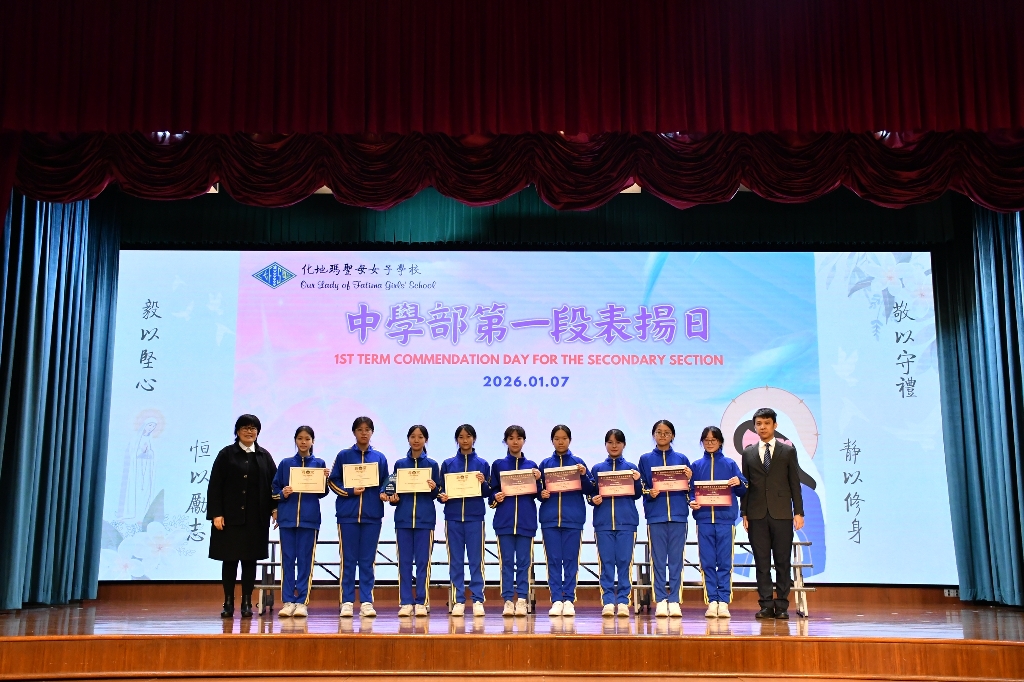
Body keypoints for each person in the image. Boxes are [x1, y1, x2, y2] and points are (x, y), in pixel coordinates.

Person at [207, 414, 278, 618]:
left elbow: (274, 485)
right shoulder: (226, 454)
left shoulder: (264, 456)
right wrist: (216, 513)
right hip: (229, 519)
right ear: (237, 431)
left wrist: (275, 508)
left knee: (250, 561)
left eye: (253, 428)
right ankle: (228, 602)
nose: (249, 431)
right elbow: (215, 486)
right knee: (229, 561)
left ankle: (247, 602)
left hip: (256, 519)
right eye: (245, 428)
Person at [741, 407, 804, 620]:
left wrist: (799, 512)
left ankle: (782, 604)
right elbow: (746, 485)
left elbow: (794, 483)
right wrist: (744, 512)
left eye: (767, 423)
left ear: (775, 425)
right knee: (761, 562)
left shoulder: (788, 451)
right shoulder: (748, 452)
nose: (763, 427)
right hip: (756, 514)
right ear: (754, 427)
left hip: (782, 513)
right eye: (759, 424)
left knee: (782, 561)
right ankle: (766, 604)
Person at [328, 416, 389, 618]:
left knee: (367, 560)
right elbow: (332, 482)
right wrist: (350, 491)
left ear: (372, 432)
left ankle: (366, 602)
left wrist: (384, 493)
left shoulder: (379, 457)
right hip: (348, 515)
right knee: (348, 560)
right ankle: (346, 601)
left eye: (367, 430)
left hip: (372, 515)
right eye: (360, 429)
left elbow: (386, 483)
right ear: (354, 432)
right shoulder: (344, 455)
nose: (364, 433)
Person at [688, 425, 747, 619]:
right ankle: (712, 601)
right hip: (704, 520)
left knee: (724, 562)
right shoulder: (696, 466)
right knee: (707, 562)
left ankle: (724, 601)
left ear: (720, 442)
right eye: (706, 440)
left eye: (713, 440)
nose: (710, 443)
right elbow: (690, 491)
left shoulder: (730, 464)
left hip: (725, 520)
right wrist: (692, 501)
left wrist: (739, 482)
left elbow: (743, 489)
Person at [271, 425, 328, 618]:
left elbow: (322, 493)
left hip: (309, 519)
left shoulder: (319, 464)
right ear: (295, 440)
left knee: (305, 561)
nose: (303, 442)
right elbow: (274, 490)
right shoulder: (286, 463)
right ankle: (288, 601)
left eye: (307, 439)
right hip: (287, 519)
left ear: (313, 441)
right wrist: (282, 493)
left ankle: (302, 601)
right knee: (287, 560)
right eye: (300, 438)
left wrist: (325, 480)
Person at [638, 419, 692, 618]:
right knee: (658, 560)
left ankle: (675, 599)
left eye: (667, 432)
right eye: (659, 432)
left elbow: (690, 488)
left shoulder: (682, 458)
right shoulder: (645, 459)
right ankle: (660, 599)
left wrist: (690, 477)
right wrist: (649, 492)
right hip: (656, 515)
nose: (662, 435)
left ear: (673, 435)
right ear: (653, 435)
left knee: (677, 560)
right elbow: (641, 486)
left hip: (678, 515)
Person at [538, 424, 594, 616]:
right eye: (557, 439)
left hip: (573, 519)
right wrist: (541, 493)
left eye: (564, 438)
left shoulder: (578, 463)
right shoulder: (545, 464)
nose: (560, 442)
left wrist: (583, 475)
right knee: (553, 560)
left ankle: (569, 599)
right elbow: (537, 491)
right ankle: (556, 599)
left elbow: (590, 489)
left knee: (570, 560)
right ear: (552, 441)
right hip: (550, 520)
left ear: (570, 440)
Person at [438, 424, 491, 617]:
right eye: (461, 437)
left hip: (475, 518)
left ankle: (477, 600)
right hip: (453, 518)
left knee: (476, 560)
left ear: (474, 438)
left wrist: (482, 482)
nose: (465, 440)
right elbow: (441, 491)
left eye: (468, 436)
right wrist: (442, 496)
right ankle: (458, 599)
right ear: (457, 440)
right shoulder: (448, 464)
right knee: (456, 561)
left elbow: (488, 492)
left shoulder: (483, 464)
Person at [489, 425, 542, 617]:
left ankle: (521, 600)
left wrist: (539, 479)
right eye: (511, 438)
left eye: (519, 438)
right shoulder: (498, 465)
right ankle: (507, 600)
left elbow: (540, 494)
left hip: (526, 522)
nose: (515, 442)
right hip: (504, 522)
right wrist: (496, 496)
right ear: (506, 441)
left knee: (524, 563)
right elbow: (491, 493)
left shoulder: (532, 466)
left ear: (524, 441)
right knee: (506, 563)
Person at [588, 429, 642, 618]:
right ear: (605, 445)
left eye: (618, 442)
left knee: (625, 562)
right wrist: (593, 499)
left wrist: (637, 481)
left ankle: (624, 601)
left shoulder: (631, 468)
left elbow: (637, 494)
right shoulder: (597, 469)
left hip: (627, 523)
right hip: (603, 523)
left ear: (624, 445)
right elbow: (591, 493)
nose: (614, 446)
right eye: (610, 442)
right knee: (607, 563)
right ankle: (608, 601)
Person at [389, 425, 441, 617]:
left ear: (426, 439)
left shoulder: (433, 465)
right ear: (408, 439)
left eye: (420, 437)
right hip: (403, 519)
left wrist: (435, 488)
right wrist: (393, 499)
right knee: (404, 563)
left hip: (425, 520)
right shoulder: (400, 464)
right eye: (413, 436)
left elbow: (438, 494)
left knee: (422, 563)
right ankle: (405, 602)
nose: (416, 440)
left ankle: (421, 601)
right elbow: (393, 492)